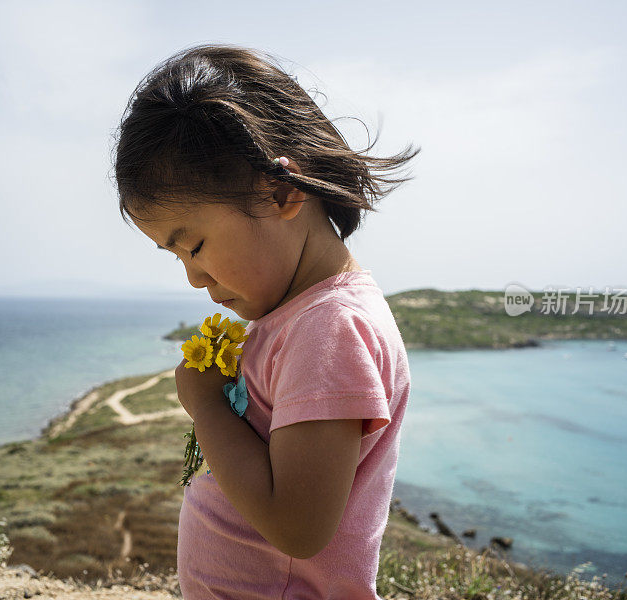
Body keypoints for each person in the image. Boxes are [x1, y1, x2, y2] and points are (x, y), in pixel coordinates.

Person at [113, 43, 418, 599]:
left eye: (196, 245)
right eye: (177, 256)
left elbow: (297, 528)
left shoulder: (328, 330)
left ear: (280, 191)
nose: (194, 279)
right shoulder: (295, 318)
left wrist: (207, 406)